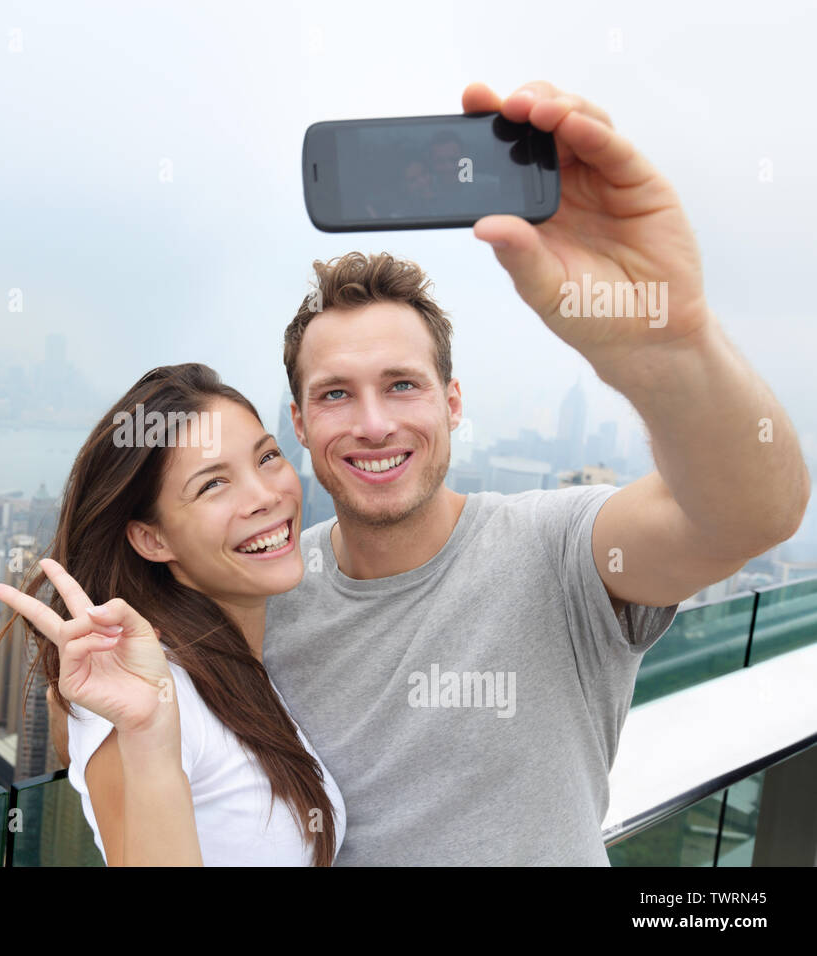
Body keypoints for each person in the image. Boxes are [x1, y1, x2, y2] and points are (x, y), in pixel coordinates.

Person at [50, 80, 810, 866]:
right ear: (302, 425)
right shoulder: (259, 591)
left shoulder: (560, 553)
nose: (374, 422)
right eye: (337, 395)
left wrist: (670, 343)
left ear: (452, 403)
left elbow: (752, 514)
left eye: (403, 385)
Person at [0, 364, 345, 866]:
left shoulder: (237, 664)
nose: (266, 496)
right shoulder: (138, 700)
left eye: (267, 456)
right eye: (213, 484)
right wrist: (145, 731)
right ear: (152, 539)